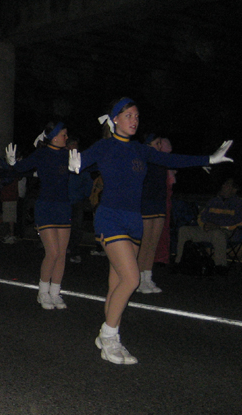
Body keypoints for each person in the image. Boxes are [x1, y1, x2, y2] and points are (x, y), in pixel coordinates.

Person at [69, 97, 233, 365]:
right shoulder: (105, 146)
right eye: (128, 115)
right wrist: (75, 164)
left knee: (117, 281)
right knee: (132, 279)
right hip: (110, 218)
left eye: (136, 116)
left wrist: (209, 158)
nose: (134, 120)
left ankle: (110, 335)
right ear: (115, 120)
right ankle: (109, 337)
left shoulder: (141, 150)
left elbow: (174, 159)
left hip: (134, 220)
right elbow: (80, 161)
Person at [6, 122, 72, 307]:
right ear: (55, 136)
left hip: (63, 207)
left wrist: (79, 165)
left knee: (62, 254)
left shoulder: (68, 154)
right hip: (46, 207)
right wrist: (13, 163)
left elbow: (88, 165)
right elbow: (22, 167)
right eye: (64, 135)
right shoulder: (42, 153)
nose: (66, 138)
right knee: (52, 252)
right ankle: (43, 292)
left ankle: (55, 292)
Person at [175, 177, 242, 273]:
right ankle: (179, 262)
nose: (223, 186)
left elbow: (237, 221)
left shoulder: (238, 203)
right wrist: (205, 225)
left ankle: (220, 266)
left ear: (234, 189)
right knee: (184, 230)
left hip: (227, 232)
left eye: (227, 185)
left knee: (217, 234)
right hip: (208, 229)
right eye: (224, 184)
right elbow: (202, 216)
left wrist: (218, 226)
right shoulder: (214, 201)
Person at [136, 134, 169, 293]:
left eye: (160, 143)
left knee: (153, 244)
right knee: (145, 243)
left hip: (159, 204)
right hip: (146, 203)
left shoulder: (161, 160)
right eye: (157, 143)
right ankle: (139, 279)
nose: (159, 147)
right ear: (148, 144)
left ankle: (148, 278)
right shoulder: (143, 160)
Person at [66, 136, 93, 265]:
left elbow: (88, 180)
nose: (75, 148)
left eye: (76, 145)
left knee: (77, 226)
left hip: (77, 201)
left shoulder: (81, 161)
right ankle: (63, 249)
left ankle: (74, 251)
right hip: (63, 201)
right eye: (73, 145)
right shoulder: (63, 161)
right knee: (63, 227)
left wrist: (84, 195)